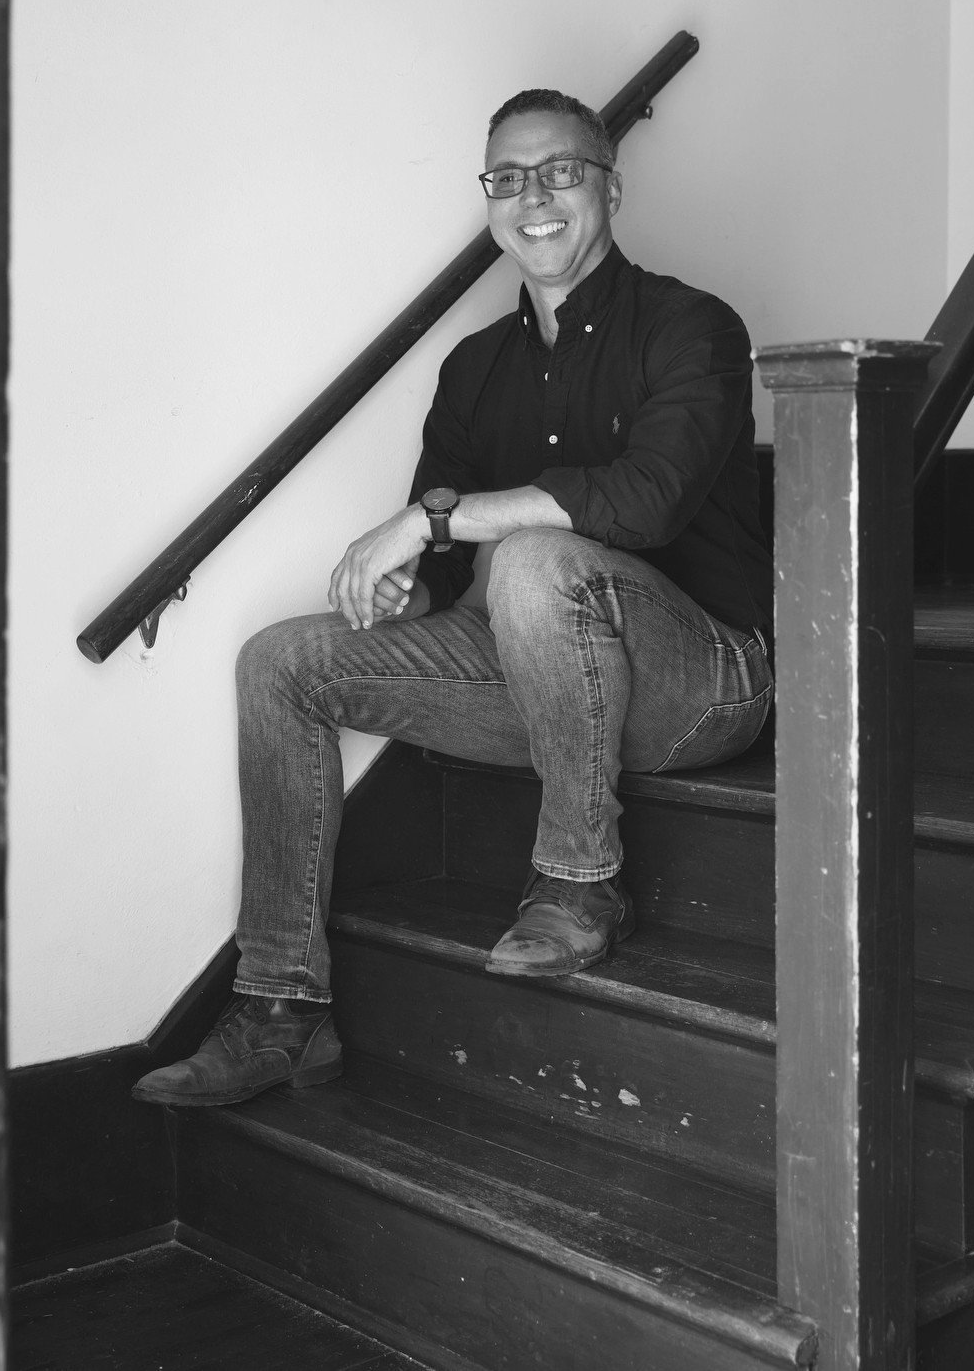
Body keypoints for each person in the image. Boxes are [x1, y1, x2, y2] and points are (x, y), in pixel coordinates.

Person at [134, 88, 773, 1108]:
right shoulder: (475, 367)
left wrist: (438, 521)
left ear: (611, 185)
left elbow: (642, 504)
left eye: (560, 170)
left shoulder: (691, 326)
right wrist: (401, 584)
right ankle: (279, 1008)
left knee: (527, 560)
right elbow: (434, 572)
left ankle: (576, 882)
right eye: (507, 179)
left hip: (701, 679)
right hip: (544, 677)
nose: (535, 198)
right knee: (279, 661)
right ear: (488, 200)